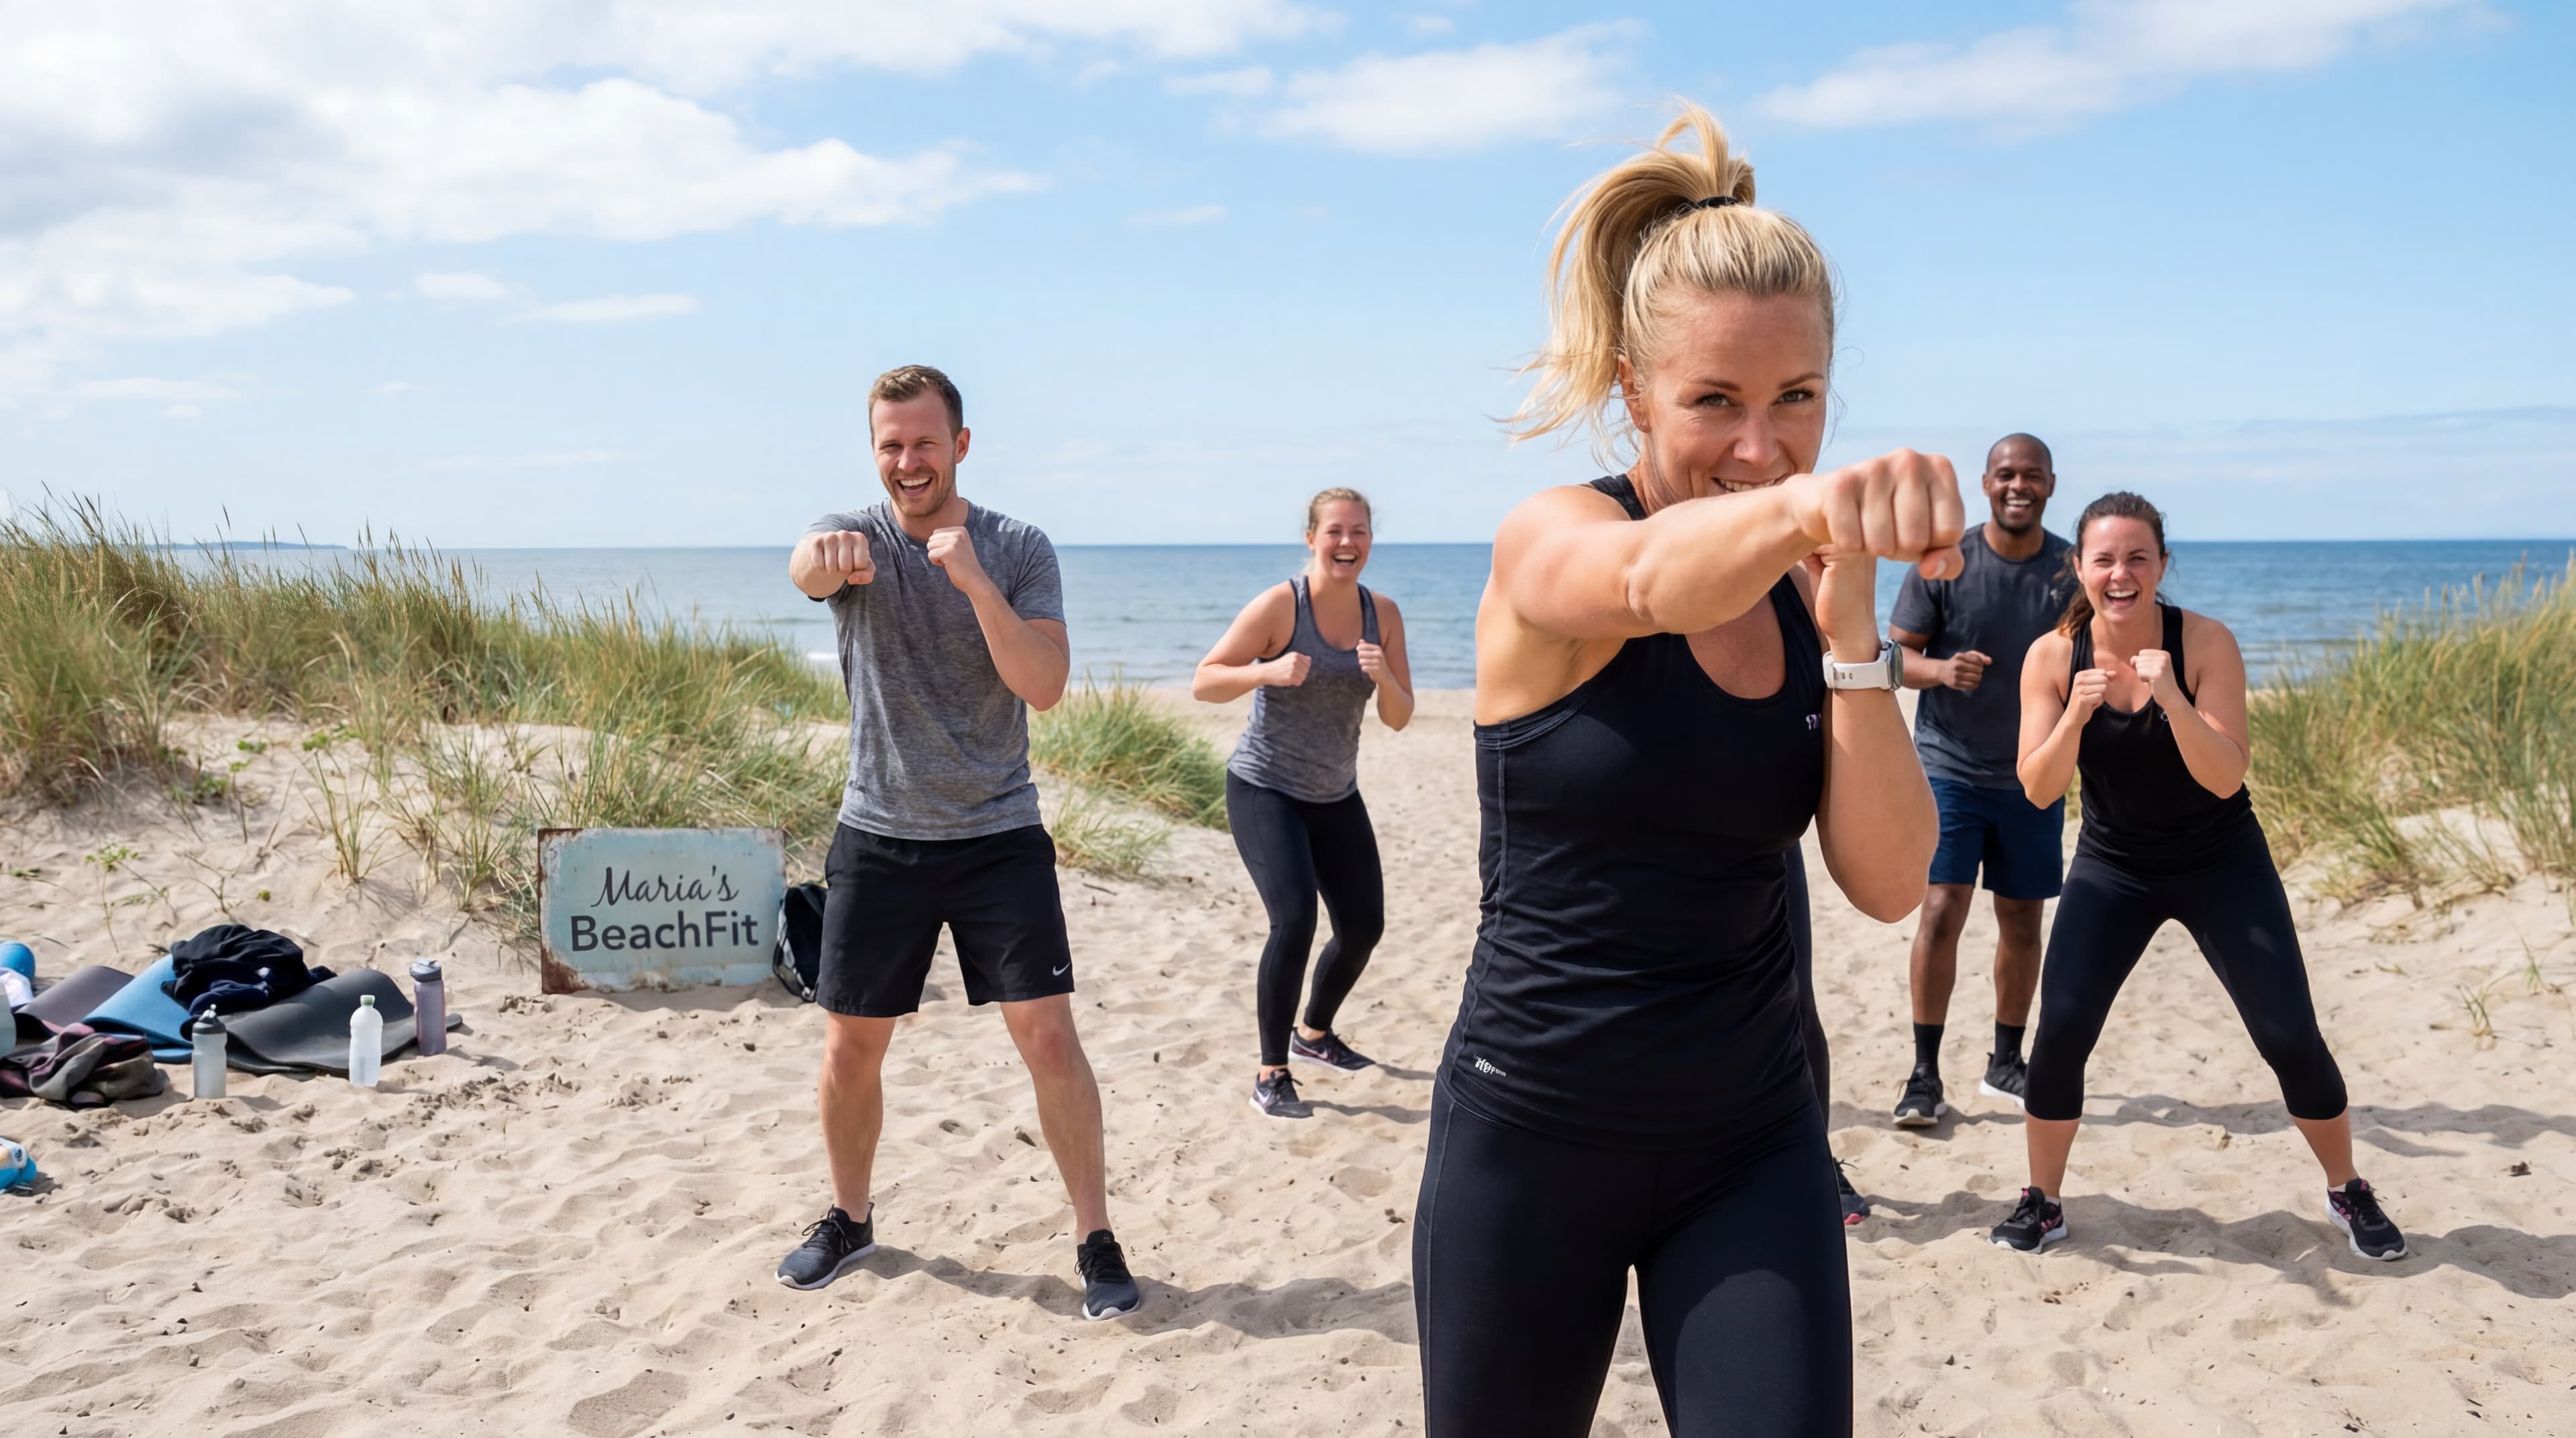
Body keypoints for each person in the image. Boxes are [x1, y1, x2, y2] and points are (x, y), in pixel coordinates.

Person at [1413, 104, 1965, 1437]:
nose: (1760, 445)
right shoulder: (1552, 544)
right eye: (1714, 401)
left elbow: (1891, 883)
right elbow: (1646, 581)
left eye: (1798, 402)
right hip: (1532, 1137)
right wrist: (1808, 513)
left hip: (1752, 1146)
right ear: (1631, 390)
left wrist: (1846, 637)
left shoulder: (1802, 585)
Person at [774, 364, 1142, 1320]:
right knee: (851, 1046)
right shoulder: (854, 544)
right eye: (890, 444)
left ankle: (1095, 1237)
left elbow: (1045, 683)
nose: (907, 461)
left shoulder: (1019, 547)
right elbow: (806, 569)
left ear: (960, 446)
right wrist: (821, 558)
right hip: (880, 833)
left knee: (1050, 1035)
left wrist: (974, 577)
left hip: (997, 835)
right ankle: (849, 1217)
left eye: (924, 443)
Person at [1991, 491, 2408, 1262]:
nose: (2122, 574)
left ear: (2162, 565)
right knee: (2062, 1035)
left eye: (2138, 557)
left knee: (2288, 1035)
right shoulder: (2053, 657)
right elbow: (2039, 788)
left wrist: (2175, 699)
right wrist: (2076, 719)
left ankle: (2347, 1187)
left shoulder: (2206, 641)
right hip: (2114, 866)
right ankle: (2043, 1200)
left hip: (2222, 861)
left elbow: (2224, 776)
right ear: (2079, 568)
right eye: (2105, 559)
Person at [1191, 487, 1415, 1119]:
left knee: (1363, 926)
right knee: (1294, 921)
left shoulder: (1385, 614)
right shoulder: (1280, 606)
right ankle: (1271, 1073)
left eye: (1360, 532)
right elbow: (1205, 680)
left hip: (1335, 792)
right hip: (1266, 788)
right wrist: (1264, 671)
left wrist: (1385, 678)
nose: (1348, 543)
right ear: (1312, 538)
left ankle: (1313, 1033)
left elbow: (1400, 717)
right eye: (1336, 531)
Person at [1884, 434, 2074, 1126]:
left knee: (2022, 919)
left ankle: (2005, 1063)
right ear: (1986, 482)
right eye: (2005, 474)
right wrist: (1942, 669)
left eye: (2031, 475)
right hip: (1949, 766)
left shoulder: (2070, 573)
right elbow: (1894, 657)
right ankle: (1924, 1074)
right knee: (1941, 910)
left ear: (2050, 484)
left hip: (2031, 775)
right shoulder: (1945, 561)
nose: (2016, 485)